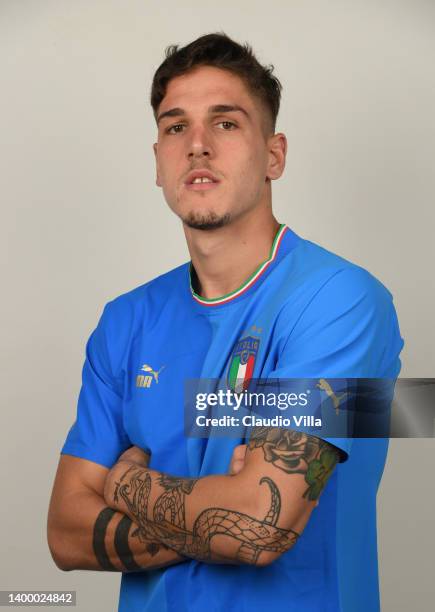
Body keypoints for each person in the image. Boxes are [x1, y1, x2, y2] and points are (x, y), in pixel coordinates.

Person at [47, 33, 404, 612]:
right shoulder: (125, 320)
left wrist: (122, 484)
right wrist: (217, 512)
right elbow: (64, 530)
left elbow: (260, 525)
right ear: (158, 160)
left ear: (274, 155)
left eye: (227, 123)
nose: (198, 146)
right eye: (175, 126)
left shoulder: (338, 301)